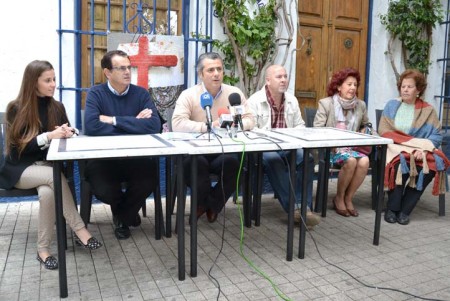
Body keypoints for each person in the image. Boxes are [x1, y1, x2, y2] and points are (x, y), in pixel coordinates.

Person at [0, 60, 102, 270]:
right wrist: (47, 136)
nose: (53, 84)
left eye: (54, 79)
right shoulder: (16, 108)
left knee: (48, 193)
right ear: (32, 82)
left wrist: (69, 132)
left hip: (47, 167)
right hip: (20, 169)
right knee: (52, 177)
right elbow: (18, 148)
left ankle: (43, 250)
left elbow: (66, 130)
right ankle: (80, 230)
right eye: (47, 80)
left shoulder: (57, 107)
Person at [84, 50, 161, 239]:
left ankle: (122, 217)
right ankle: (128, 214)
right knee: (102, 189)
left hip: (135, 158)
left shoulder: (141, 94)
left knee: (148, 180)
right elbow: (92, 126)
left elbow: (154, 125)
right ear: (107, 73)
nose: (127, 72)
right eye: (121, 68)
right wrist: (134, 123)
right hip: (104, 159)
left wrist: (113, 120)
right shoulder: (95, 93)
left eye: (129, 67)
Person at [171, 52, 255, 222]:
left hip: (222, 151)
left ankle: (208, 205)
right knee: (198, 164)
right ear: (201, 74)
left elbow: (250, 120)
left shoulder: (234, 93)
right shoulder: (189, 95)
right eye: (211, 70)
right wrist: (208, 126)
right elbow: (177, 124)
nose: (216, 73)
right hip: (195, 152)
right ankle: (209, 205)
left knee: (234, 164)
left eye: (219, 69)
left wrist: (236, 124)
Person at [247, 65, 320, 228]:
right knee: (273, 160)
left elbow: (300, 125)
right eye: (279, 77)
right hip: (264, 148)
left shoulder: (291, 100)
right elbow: (251, 131)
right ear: (268, 80)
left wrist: (294, 138)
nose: (283, 80)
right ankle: (296, 209)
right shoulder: (254, 101)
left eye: (285, 76)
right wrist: (272, 139)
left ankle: (304, 208)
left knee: (306, 159)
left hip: (288, 147)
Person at [379, 69, 449, 225]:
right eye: (403, 86)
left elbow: (436, 135)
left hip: (419, 151)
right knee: (398, 165)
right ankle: (392, 209)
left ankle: (405, 210)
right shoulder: (392, 105)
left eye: (409, 87)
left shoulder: (428, 110)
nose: (405, 89)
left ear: (418, 90)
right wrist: (408, 146)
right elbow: (384, 130)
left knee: (429, 168)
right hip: (395, 149)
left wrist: (422, 150)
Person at [313, 67, 370, 217]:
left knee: (364, 161)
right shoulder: (326, 104)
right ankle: (339, 198)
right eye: (348, 84)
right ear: (339, 86)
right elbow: (317, 129)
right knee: (350, 161)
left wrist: (366, 130)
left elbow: (366, 124)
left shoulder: (361, 105)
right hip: (331, 150)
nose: (352, 88)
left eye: (355, 85)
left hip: (352, 148)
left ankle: (348, 198)